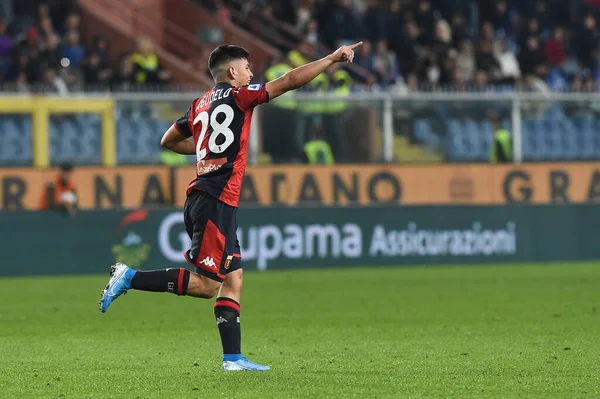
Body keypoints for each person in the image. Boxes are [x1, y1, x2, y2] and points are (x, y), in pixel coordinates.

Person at [98, 41, 363, 371]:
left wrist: (205, 151)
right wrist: (331, 58)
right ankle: (130, 277)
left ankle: (233, 359)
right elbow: (290, 81)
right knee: (208, 285)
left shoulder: (199, 105)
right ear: (233, 71)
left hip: (207, 196)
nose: (252, 73)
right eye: (248, 68)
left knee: (233, 276)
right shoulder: (241, 96)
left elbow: (168, 140)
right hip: (216, 199)